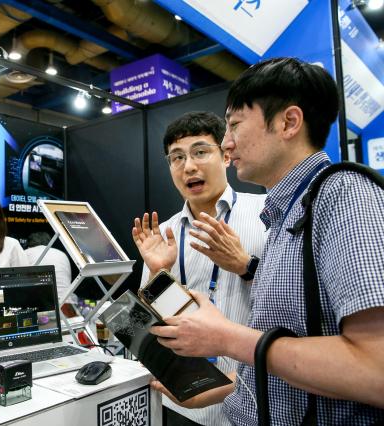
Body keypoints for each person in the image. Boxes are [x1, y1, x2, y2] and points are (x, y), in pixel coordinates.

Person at [148, 58, 384, 424]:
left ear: (288, 122)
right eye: (176, 158)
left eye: (235, 125)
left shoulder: (343, 195)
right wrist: (225, 385)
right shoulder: (286, 214)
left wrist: (226, 338)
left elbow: (376, 371)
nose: (227, 142)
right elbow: (292, 362)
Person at [132, 111, 267, 425]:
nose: (188, 166)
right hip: (182, 402)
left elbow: (291, 304)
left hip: (251, 399)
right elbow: (147, 324)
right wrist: (157, 274)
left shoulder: (265, 215)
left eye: (200, 152)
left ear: (226, 156)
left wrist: (245, 266)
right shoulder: (163, 233)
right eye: (176, 157)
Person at [24, 232, 75, 304]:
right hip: (67, 304)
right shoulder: (61, 254)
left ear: (29, 244)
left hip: (42, 305)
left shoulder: (25, 253)